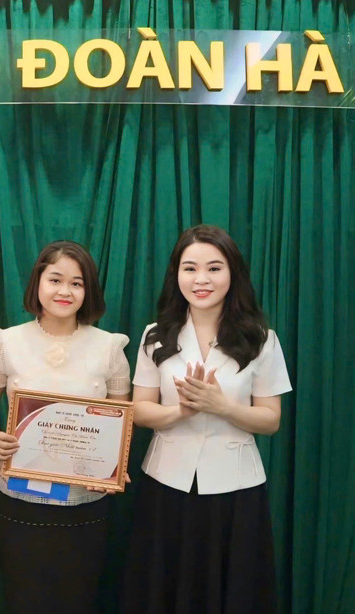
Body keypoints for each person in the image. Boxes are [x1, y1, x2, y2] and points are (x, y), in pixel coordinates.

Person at [121, 224, 292, 613]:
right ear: (175, 274)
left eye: (214, 268)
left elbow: (271, 420)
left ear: (233, 274)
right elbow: (139, 410)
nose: (201, 279)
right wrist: (180, 410)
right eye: (190, 268)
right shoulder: (155, 335)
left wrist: (223, 406)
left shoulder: (261, 339)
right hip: (167, 484)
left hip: (236, 489)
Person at [0, 240, 131, 614]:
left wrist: (112, 467)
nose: (65, 291)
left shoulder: (110, 348)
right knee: (23, 596)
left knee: (78, 596)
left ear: (88, 290)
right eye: (55, 279)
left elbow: (123, 420)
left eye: (77, 283)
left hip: (85, 499)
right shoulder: (5, 343)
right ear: (37, 283)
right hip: (17, 494)